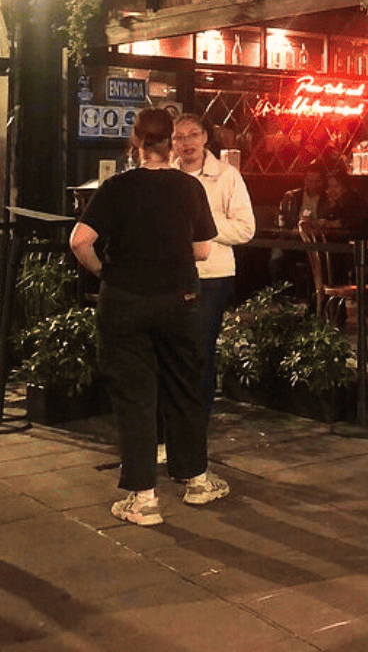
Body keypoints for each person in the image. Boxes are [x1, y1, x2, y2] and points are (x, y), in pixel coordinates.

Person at [69, 108, 229, 527]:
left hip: (124, 300)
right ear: (170, 141)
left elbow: (80, 240)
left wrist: (105, 270)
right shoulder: (188, 187)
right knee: (184, 386)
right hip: (179, 298)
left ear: (136, 141)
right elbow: (203, 250)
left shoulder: (116, 187)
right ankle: (195, 480)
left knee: (135, 398)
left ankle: (142, 499)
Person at [171, 113, 255, 418]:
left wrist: (202, 225)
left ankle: (197, 423)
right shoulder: (166, 174)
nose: (186, 143)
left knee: (199, 351)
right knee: (173, 353)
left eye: (193, 135)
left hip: (212, 277)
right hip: (170, 277)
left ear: (206, 137)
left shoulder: (226, 175)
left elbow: (246, 229)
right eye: (179, 137)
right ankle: (175, 421)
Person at [269, 162, 332, 289]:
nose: (312, 184)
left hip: (317, 243)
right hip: (293, 240)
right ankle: (281, 295)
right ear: (304, 180)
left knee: (318, 261)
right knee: (277, 255)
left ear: (322, 182)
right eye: (308, 180)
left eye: (316, 181)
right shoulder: (292, 197)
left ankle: (312, 295)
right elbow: (283, 219)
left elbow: (327, 220)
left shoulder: (328, 198)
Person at [320, 168, 368, 239]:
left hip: (362, 244)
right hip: (347, 243)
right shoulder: (335, 203)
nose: (332, 190)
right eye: (330, 186)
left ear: (345, 188)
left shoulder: (354, 200)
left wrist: (328, 224)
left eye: (336, 186)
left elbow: (350, 223)